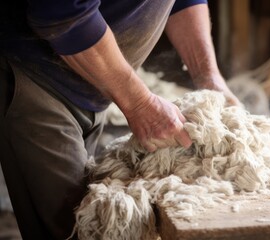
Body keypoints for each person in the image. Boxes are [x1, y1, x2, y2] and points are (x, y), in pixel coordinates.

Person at [0, 0, 240, 239]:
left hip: (92, 84)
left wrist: (208, 76)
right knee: (82, 228)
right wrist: (139, 102)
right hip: (36, 76)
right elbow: (63, 14)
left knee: (95, 214)